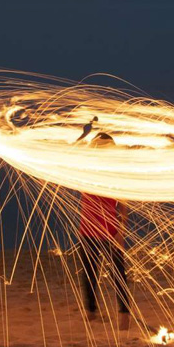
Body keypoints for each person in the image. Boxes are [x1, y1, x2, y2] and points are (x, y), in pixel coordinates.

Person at [75, 134, 131, 326]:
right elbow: (69, 157)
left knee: (118, 275)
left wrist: (121, 233)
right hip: (87, 230)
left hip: (111, 232)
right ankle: (90, 313)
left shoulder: (115, 176)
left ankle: (124, 316)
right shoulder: (83, 172)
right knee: (89, 275)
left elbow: (123, 208)